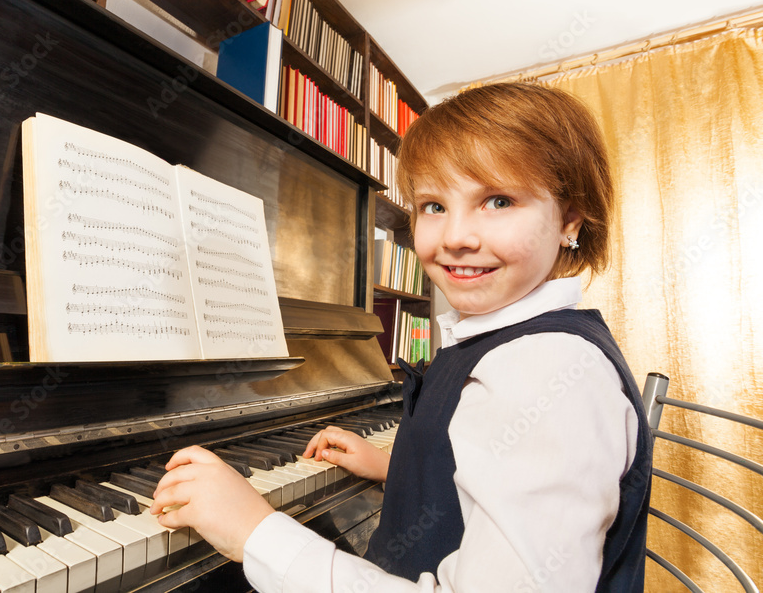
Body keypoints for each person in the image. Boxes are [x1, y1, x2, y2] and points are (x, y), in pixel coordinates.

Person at [150, 83, 653, 592]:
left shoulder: (546, 369)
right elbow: (493, 476)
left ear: (570, 218)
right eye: (433, 205)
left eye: (498, 200)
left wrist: (252, 531)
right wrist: (398, 468)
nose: (455, 236)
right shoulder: (507, 340)